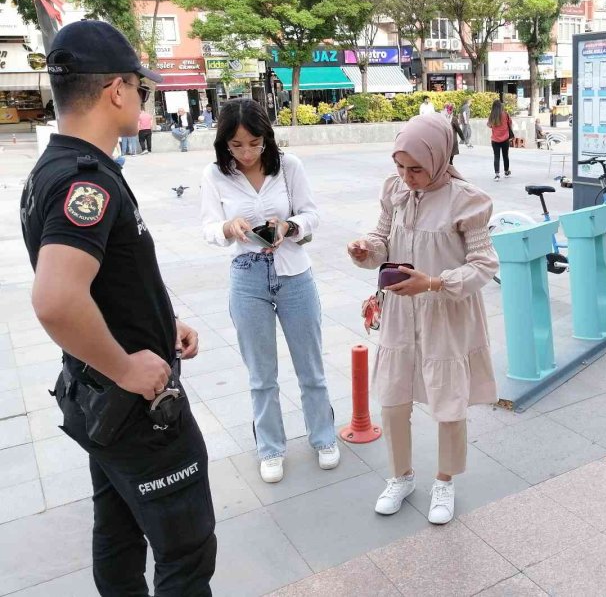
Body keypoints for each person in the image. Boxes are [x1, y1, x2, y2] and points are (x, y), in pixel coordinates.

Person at [20, 20, 215, 595]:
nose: (142, 99)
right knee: (185, 550)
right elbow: (56, 300)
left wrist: (157, 321)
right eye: (142, 87)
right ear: (116, 90)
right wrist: (130, 366)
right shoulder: (88, 182)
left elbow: (105, 280)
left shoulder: (53, 170)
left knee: (119, 531)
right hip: (135, 410)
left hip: (100, 401)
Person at [347, 113, 498, 525]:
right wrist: (366, 249)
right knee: (393, 399)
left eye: (416, 168)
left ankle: (445, 481)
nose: (407, 176)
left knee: (449, 404)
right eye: (400, 166)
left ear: (439, 158)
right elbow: (382, 239)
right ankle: (401, 476)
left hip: (445, 314)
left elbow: (485, 266)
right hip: (399, 312)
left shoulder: (466, 200)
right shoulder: (393, 191)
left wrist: (433, 283)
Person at [200, 98, 339, 483]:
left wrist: (288, 227)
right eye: (237, 145)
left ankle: (323, 436)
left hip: (294, 274)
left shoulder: (290, 166)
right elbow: (209, 228)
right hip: (247, 277)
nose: (246, 153)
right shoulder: (215, 175)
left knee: (310, 367)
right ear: (224, 143)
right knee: (261, 375)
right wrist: (229, 228)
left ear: (268, 138)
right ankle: (271, 447)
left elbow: (312, 215)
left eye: (255, 143)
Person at [487, 99, 513, 181]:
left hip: (495, 140)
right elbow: (510, 123)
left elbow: (489, 125)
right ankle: (506, 171)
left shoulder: (492, 115)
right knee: (505, 156)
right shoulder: (505, 114)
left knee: (496, 157)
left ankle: (497, 174)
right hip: (505, 139)